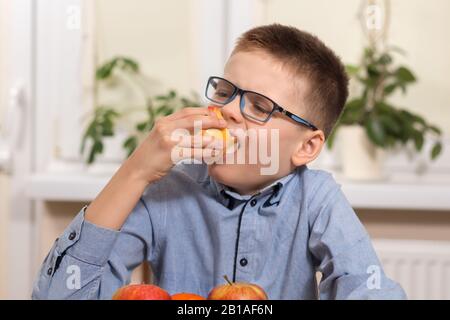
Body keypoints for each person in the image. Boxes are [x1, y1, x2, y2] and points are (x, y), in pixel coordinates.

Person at [32, 24, 406, 299]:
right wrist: (136, 171)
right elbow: (59, 295)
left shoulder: (317, 200)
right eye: (225, 93)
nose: (228, 111)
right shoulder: (167, 191)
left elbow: (369, 289)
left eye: (259, 106)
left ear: (306, 148)